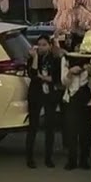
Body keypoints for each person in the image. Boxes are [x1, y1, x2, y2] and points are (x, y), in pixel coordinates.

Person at [26, 33, 63, 169]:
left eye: (44, 45)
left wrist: (44, 77)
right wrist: (35, 57)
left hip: (50, 95)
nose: (41, 48)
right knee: (33, 126)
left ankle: (48, 158)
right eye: (39, 45)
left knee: (50, 127)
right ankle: (29, 158)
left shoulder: (54, 59)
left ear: (50, 46)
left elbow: (57, 78)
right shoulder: (32, 58)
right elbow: (33, 74)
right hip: (35, 94)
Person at [62, 54, 91, 171]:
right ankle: (71, 160)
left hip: (88, 99)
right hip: (72, 98)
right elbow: (64, 82)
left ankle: (84, 159)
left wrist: (90, 72)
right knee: (71, 131)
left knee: (86, 132)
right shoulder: (66, 59)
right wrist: (70, 72)